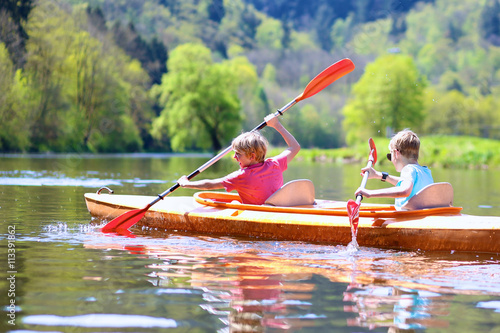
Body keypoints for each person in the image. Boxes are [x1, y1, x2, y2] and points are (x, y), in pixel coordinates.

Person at [177, 114, 300, 205]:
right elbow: (295, 147)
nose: (235, 157)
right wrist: (277, 125)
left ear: (252, 156)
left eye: (238, 154)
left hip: (258, 215)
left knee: (235, 203)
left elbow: (209, 185)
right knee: (235, 201)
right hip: (277, 210)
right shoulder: (275, 163)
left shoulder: (242, 176)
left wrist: (187, 184)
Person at [354, 129, 433, 210]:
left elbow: (404, 190)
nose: (391, 159)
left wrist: (370, 193)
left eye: (390, 155)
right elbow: (406, 182)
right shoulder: (425, 171)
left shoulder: (408, 169)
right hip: (422, 216)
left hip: (409, 218)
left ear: (396, 153)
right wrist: (379, 175)